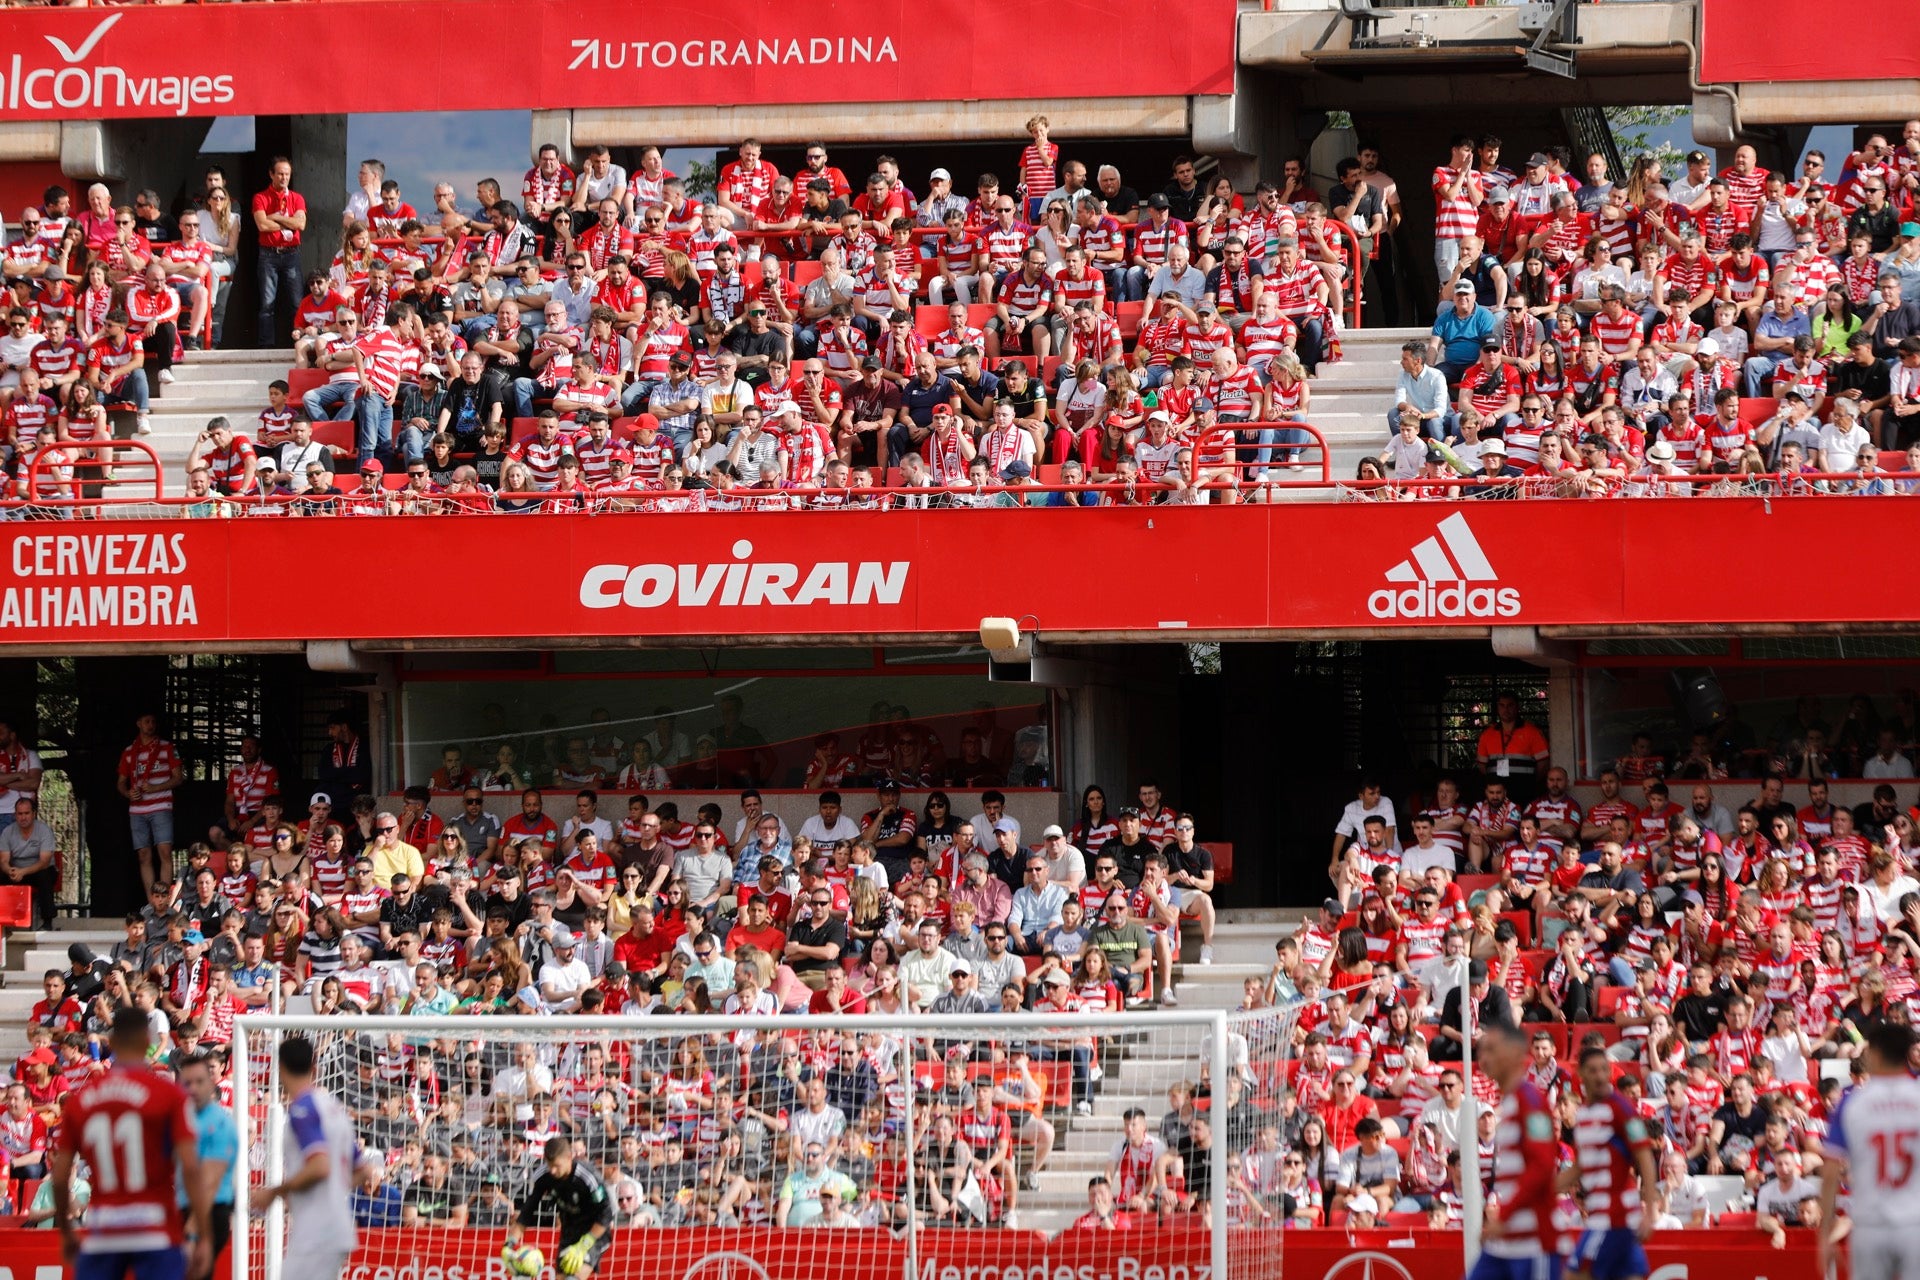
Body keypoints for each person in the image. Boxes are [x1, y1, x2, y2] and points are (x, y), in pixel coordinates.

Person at [52, 1007, 213, 1280]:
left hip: (104, 1229)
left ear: (112, 1044)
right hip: (156, 1228)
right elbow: (191, 1167)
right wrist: (204, 1236)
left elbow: (60, 1173)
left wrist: (66, 1233)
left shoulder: (82, 1101)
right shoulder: (169, 1095)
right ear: (147, 1043)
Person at [248, 1036, 356, 1280]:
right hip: (336, 1224)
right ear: (314, 1068)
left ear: (281, 1069)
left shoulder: (301, 1111)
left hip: (315, 1230)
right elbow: (363, 1171)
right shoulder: (334, 1109)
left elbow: (320, 1166)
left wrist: (275, 1191)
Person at [1819, 1022, 1920, 1280]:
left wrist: (1824, 1235)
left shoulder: (1852, 1104)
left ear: (1873, 1054)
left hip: (1871, 1224)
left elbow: (1830, 1173)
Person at [1466, 1023, 1561, 1280]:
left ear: (1514, 1052)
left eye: (1492, 1049)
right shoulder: (1507, 1104)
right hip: (1505, 1240)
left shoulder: (1530, 1101)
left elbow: (1542, 1167)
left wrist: (1503, 1216)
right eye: (1482, 1050)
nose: (1484, 1058)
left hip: (1533, 1241)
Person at [1567, 1046, 1657, 1280]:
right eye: (1592, 1070)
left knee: (1575, 1275)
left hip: (1613, 1215)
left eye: (1603, 1070)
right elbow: (1580, 1166)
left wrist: (1650, 1211)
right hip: (1606, 1214)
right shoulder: (1583, 1113)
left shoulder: (1621, 1108)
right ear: (1581, 1074)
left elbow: (1645, 1157)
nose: (1599, 1075)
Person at [506, 1134, 614, 1279]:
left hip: (594, 1232)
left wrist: (584, 1245)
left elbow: (606, 1213)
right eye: (550, 1165)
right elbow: (527, 1212)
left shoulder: (588, 1177)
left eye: (557, 1166)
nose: (553, 1171)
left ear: (569, 1158)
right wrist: (510, 1243)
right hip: (569, 1230)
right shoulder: (543, 1176)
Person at [180, 1053, 238, 1274]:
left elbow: (210, 1179)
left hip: (209, 1212)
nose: (193, 1088)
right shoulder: (189, 1119)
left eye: (199, 1082)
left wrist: (194, 1229)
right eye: (187, 1083)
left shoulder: (219, 1124)